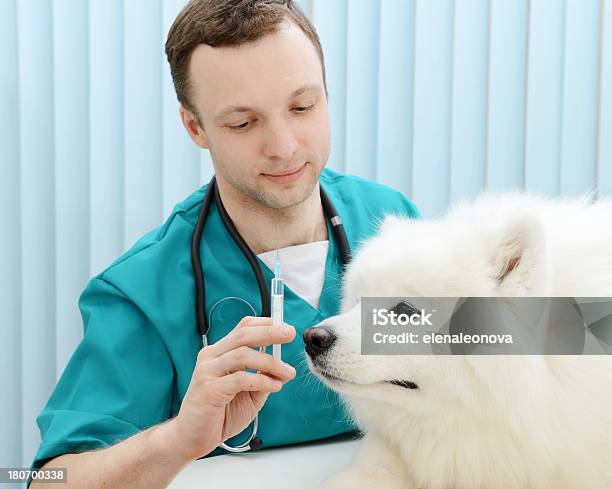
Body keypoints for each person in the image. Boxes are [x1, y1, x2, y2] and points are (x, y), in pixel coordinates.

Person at [29, 1, 420, 487]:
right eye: (243, 123)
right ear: (195, 127)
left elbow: (515, 342)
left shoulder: (389, 221)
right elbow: (50, 479)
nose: (284, 146)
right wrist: (179, 439)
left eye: (302, 107)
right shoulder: (141, 291)